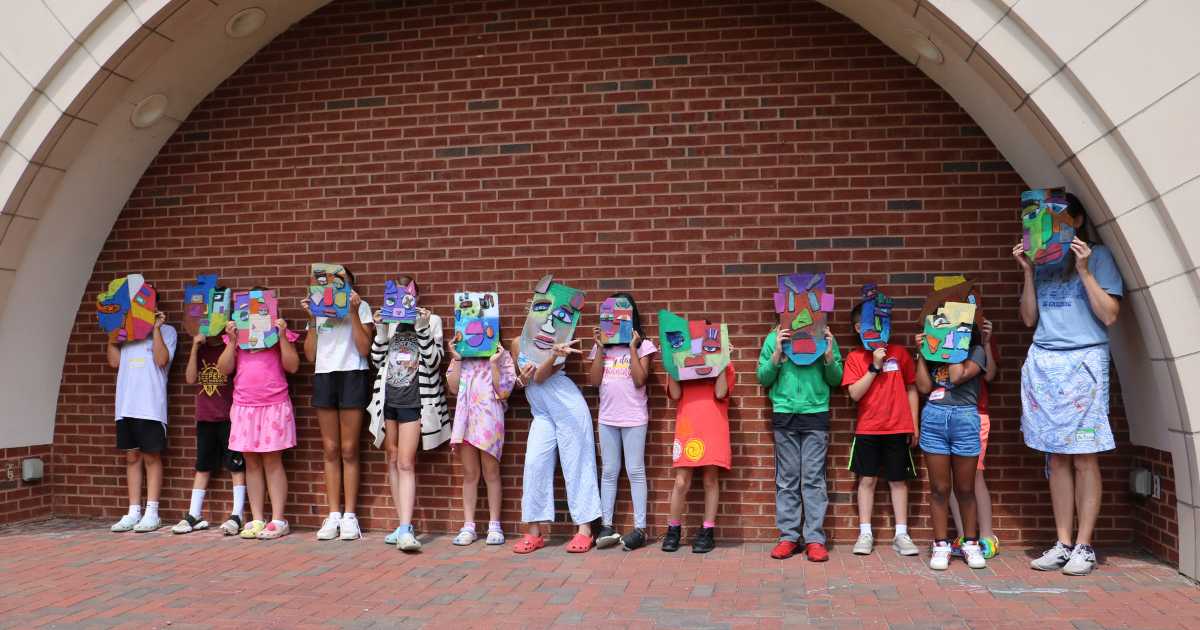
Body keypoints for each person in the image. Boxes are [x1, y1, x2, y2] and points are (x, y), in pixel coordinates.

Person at [1015, 194, 1122, 576]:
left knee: (1085, 455)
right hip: (1045, 360)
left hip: (1084, 360)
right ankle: (1062, 542)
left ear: (1076, 221)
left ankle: (1084, 545)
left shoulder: (1100, 256)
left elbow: (1110, 315)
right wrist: (1028, 271)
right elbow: (1028, 319)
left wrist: (1084, 269)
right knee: (1056, 456)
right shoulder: (1042, 263)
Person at [367, 293, 450, 552]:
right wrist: (380, 330)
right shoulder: (390, 323)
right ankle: (403, 524)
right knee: (392, 459)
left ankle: (405, 527)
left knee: (406, 462)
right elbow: (377, 360)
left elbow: (435, 361)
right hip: (390, 397)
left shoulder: (431, 320)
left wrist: (423, 328)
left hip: (416, 399)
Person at [757, 325, 842, 562]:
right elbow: (763, 378)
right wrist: (776, 354)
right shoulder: (774, 337)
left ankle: (814, 539)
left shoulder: (824, 335)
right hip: (785, 414)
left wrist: (828, 357)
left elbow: (836, 379)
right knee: (787, 480)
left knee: (813, 479)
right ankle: (789, 537)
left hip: (816, 414)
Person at [842, 302, 919, 557]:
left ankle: (901, 533)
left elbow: (911, 388)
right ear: (858, 328)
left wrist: (913, 423)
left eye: (883, 322)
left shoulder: (900, 353)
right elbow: (854, 393)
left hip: (898, 427)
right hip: (868, 428)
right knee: (867, 480)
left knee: (898, 480)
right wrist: (874, 366)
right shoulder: (855, 357)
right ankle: (865, 532)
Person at [512, 338, 602, 554]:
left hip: (566, 406)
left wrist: (554, 354)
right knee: (534, 463)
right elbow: (522, 381)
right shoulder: (517, 343)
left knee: (577, 464)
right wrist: (521, 381)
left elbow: (542, 376)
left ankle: (585, 529)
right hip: (541, 412)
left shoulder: (561, 341)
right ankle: (534, 532)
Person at [302, 267, 373, 542]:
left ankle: (350, 516)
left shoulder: (362, 306)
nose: (335, 288)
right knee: (330, 449)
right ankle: (333, 514)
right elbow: (310, 354)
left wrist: (353, 312)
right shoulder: (319, 307)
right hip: (324, 374)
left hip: (352, 373)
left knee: (349, 448)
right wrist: (311, 320)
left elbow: (364, 348)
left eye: (342, 284)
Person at [217, 310, 300, 540]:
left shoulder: (277, 335)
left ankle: (278, 519)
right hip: (245, 407)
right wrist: (232, 341)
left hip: (273, 405)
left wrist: (282, 335)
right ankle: (256, 518)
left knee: (273, 461)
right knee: (251, 462)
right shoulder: (238, 338)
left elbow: (292, 366)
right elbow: (224, 369)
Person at [586, 293, 657, 551]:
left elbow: (640, 379)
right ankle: (607, 524)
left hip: (634, 417)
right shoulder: (602, 347)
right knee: (609, 471)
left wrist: (631, 347)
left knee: (635, 471)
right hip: (607, 417)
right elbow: (594, 381)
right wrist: (600, 348)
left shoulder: (643, 346)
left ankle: (640, 528)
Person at [915, 324, 988, 571]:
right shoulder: (932, 350)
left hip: (965, 417)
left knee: (965, 488)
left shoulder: (976, 350)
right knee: (939, 488)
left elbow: (957, 376)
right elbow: (924, 388)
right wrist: (922, 353)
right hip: (935, 416)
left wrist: (953, 344)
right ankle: (940, 544)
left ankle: (970, 542)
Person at [108, 309, 177, 533]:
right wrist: (112, 339)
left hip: (150, 406)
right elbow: (114, 363)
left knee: (151, 456)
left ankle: (152, 511)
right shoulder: (125, 332)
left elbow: (162, 360)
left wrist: (155, 328)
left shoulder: (167, 331)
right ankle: (133, 510)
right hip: (126, 404)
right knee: (132, 457)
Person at [445, 332, 516, 547]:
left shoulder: (502, 355)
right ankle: (469, 525)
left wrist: (495, 363)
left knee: (491, 472)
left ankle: (495, 524)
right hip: (466, 420)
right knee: (470, 474)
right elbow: (453, 387)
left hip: (489, 420)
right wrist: (456, 358)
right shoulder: (463, 354)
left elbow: (504, 391)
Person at [173, 330, 246, 535]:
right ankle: (194, 514)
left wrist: (231, 340)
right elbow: (190, 378)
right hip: (205, 418)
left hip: (228, 417)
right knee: (202, 466)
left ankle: (237, 515)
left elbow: (231, 370)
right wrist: (195, 347)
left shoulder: (229, 347)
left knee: (236, 465)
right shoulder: (201, 349)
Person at [662, 355, 735, 554]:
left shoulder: (725, 362)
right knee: (681, 481)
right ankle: (673, 529)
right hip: (688, 423)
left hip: (712, 423)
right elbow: (675, 394)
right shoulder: (682, 358)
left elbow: (720, 392)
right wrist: (670, 362)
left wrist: (722, 361)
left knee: (710, 479)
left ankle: (707, 531)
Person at [949, 322, 999, 558]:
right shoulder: (942, 340)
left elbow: (990, 375)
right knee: (950, 477)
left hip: (976, 414)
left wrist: (986, 342)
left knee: (974, 474)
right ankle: (963, 534)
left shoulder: (978, 345)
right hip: (946, 413)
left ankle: (987, 535)